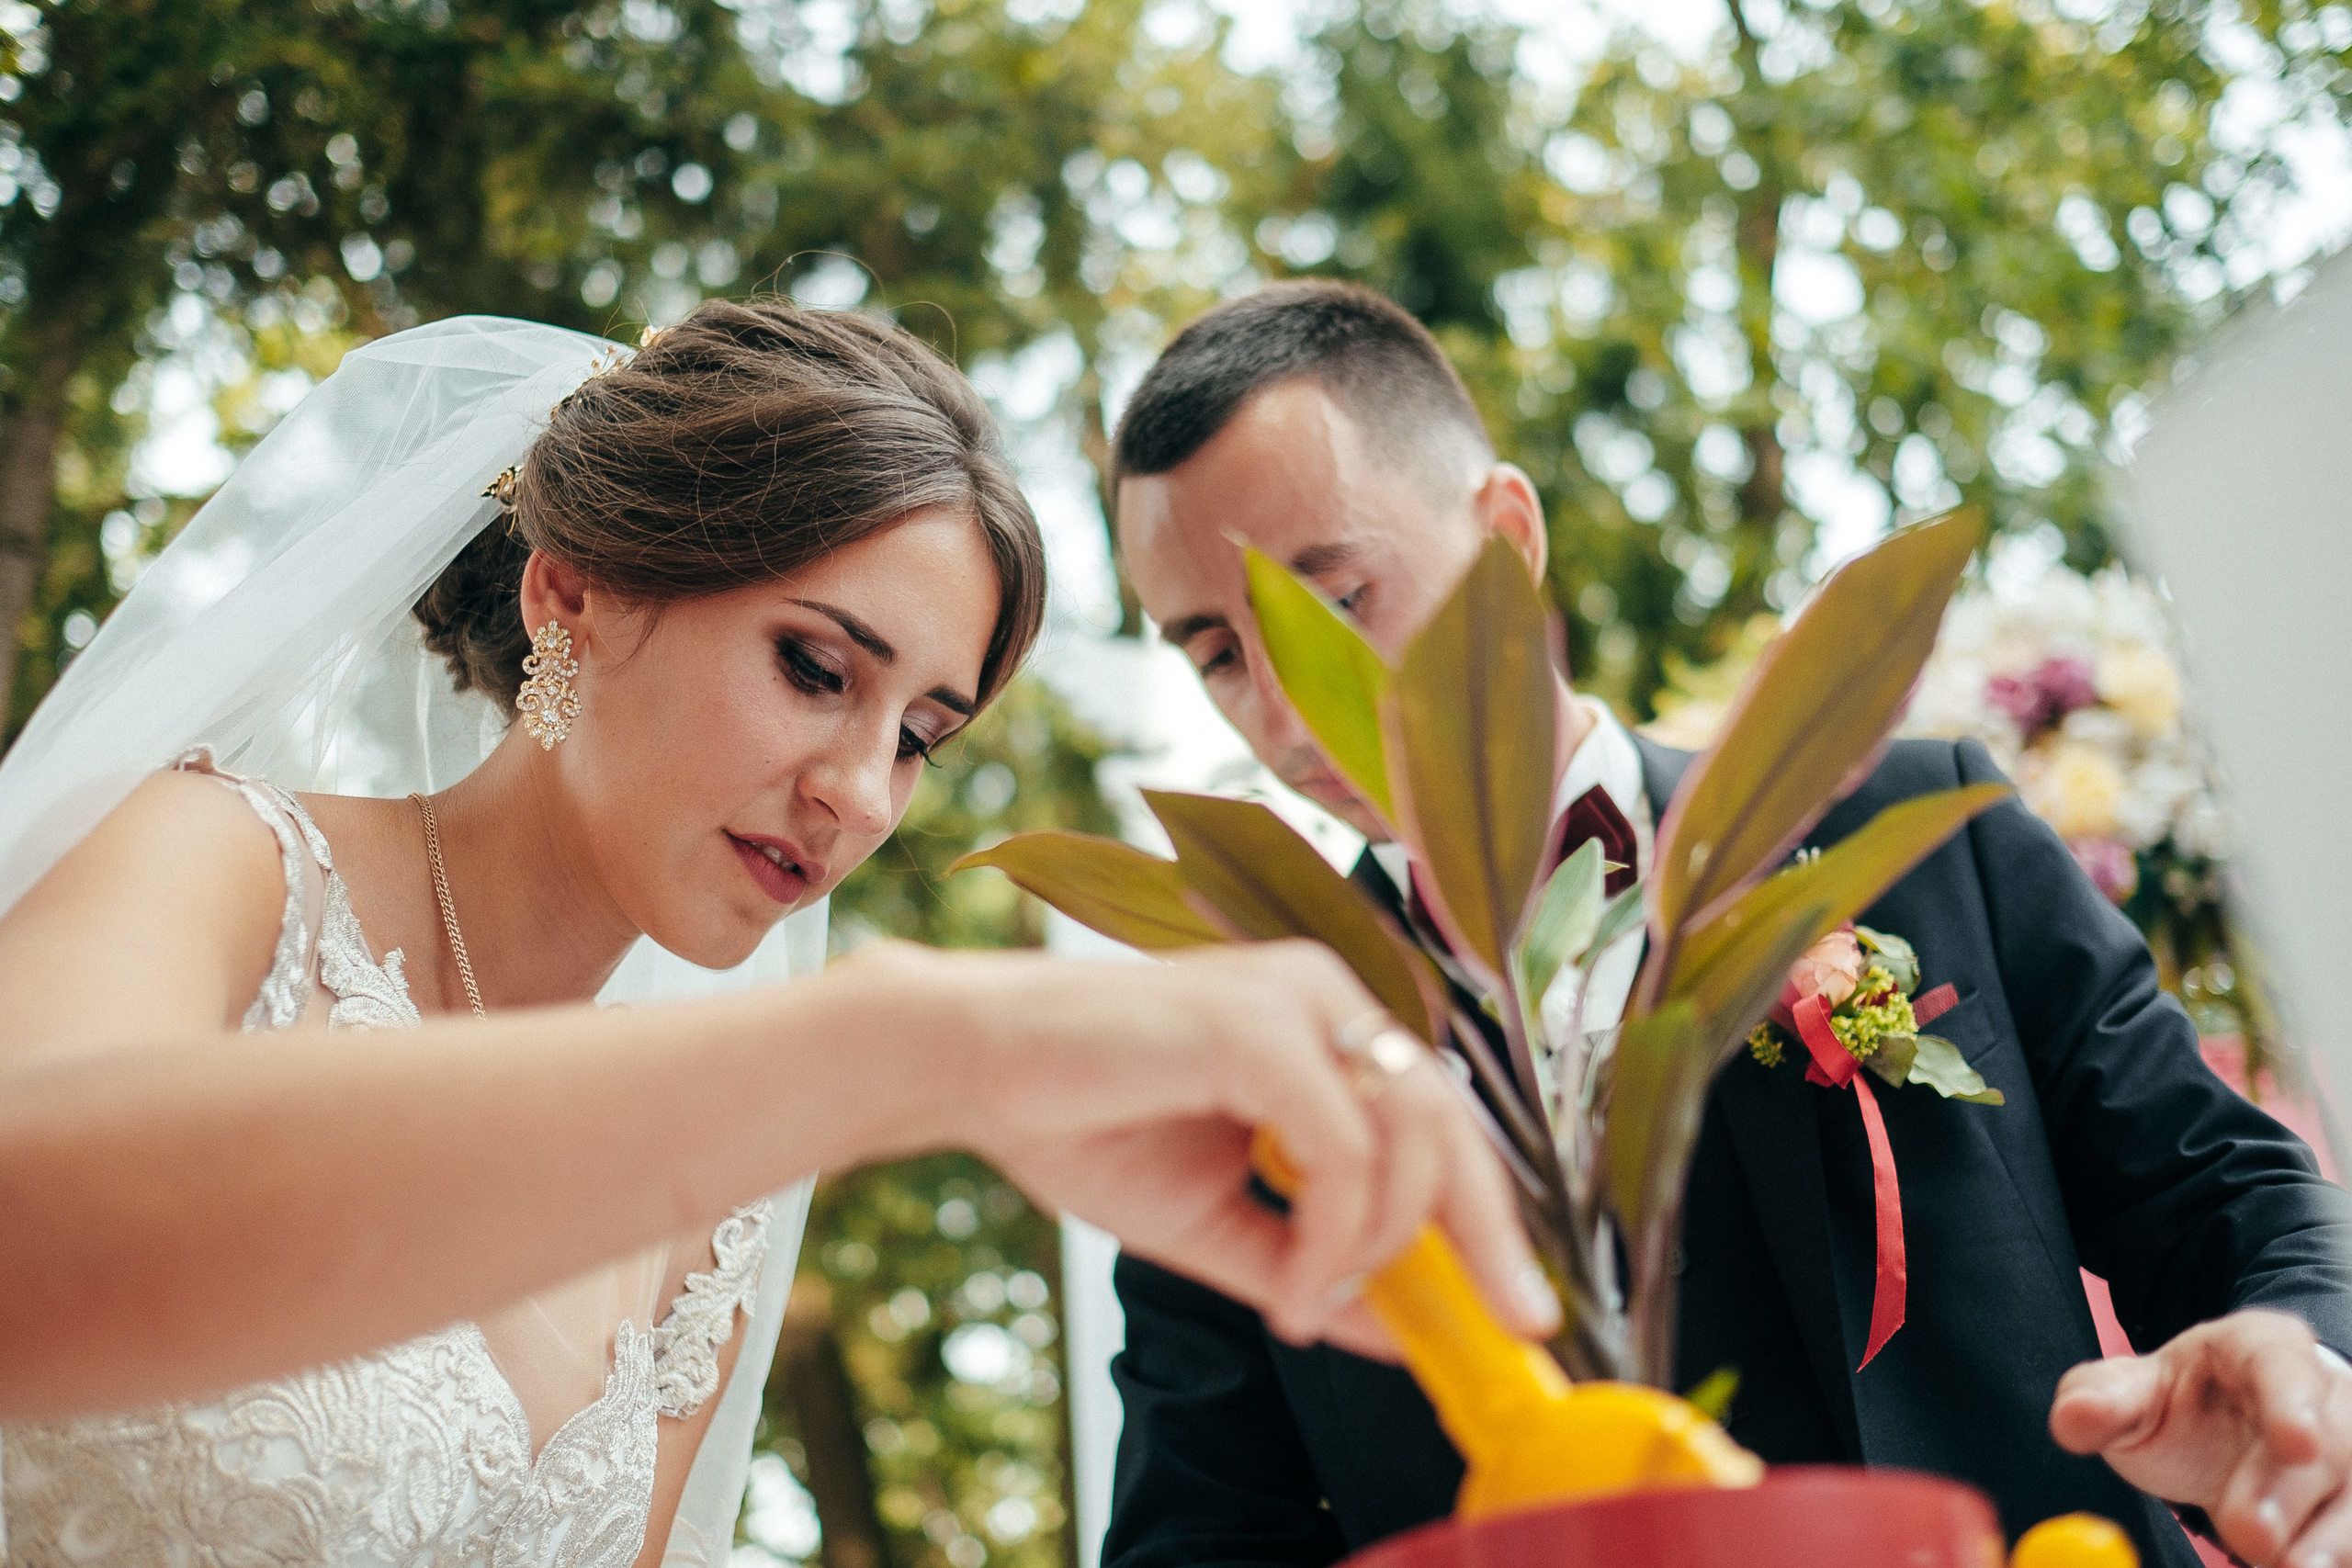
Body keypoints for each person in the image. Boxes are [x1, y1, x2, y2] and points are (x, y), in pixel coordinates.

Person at [0, 299, 1555, 1568]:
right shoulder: (209, 864)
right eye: (817, 668)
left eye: (922, 734)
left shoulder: (710, 1218)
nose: (860, 796)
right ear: (573, 597)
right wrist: (917, 1047)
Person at [1102, 279, 2352, 1568]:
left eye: (1336, 605)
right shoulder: (1241, 1068)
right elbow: (1199, 1532)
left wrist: (2301, 1360)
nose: (1288, 716)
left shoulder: (1928, 838)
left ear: (1505, 537)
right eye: (1216, 654)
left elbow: (2221, 1194)